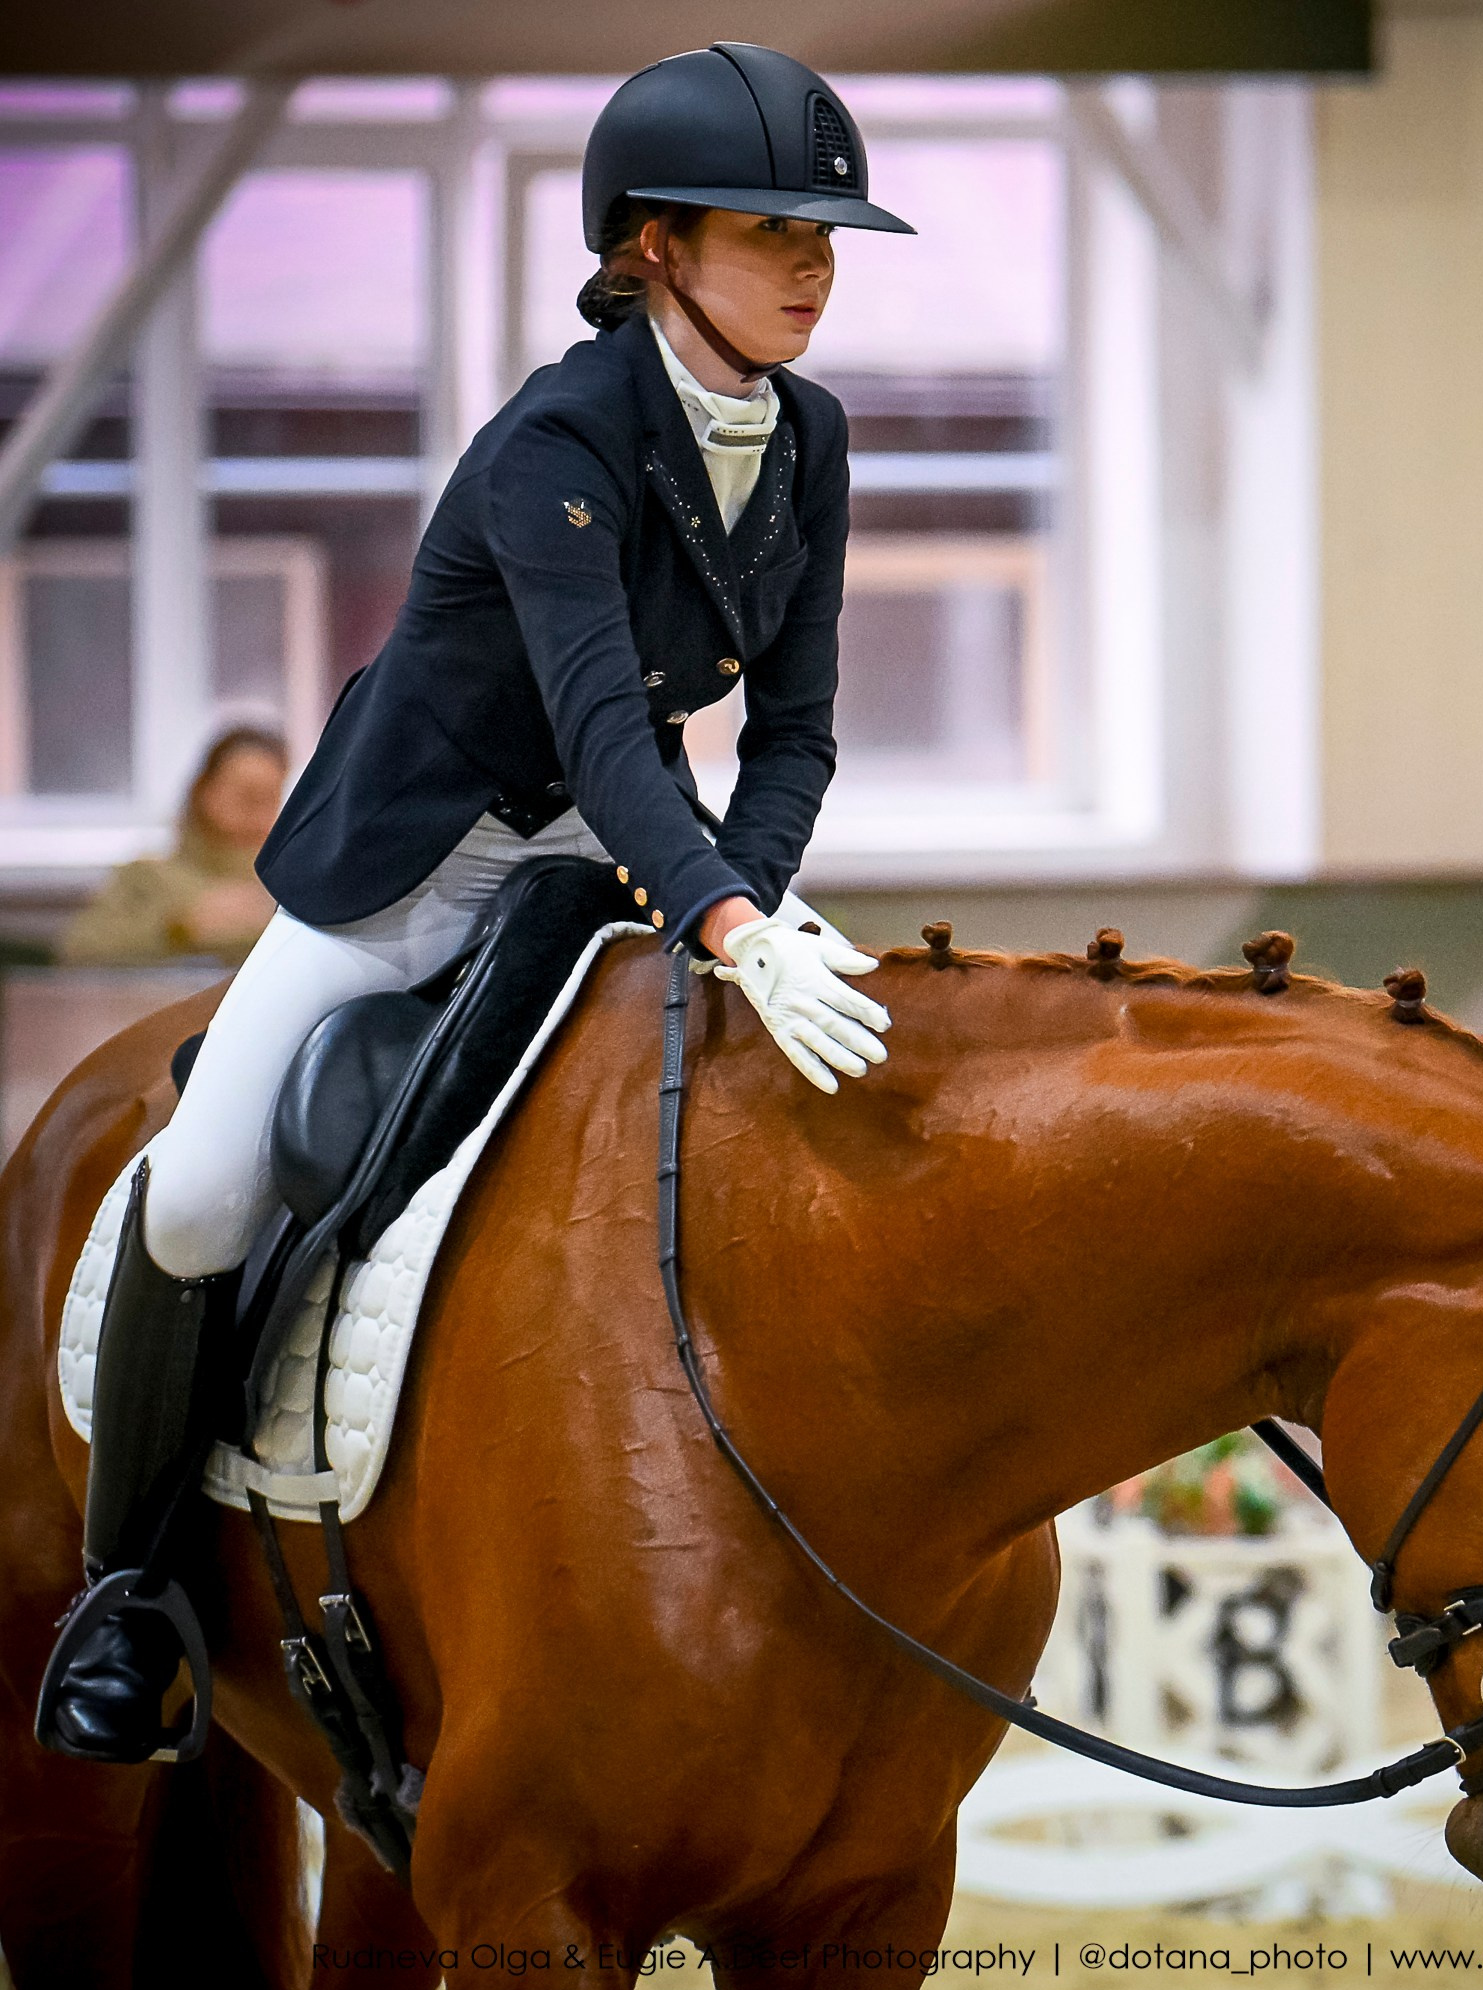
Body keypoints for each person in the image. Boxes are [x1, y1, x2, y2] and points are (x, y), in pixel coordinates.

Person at [41, 42, 911, 1764]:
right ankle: (124, 1590)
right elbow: (604, 714)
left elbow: (796, 724)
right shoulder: (556, 438)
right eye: (774, 230)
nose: (816, 265)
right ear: (652, 244)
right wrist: (725, 920)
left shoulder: (810, 436)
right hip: (406, 867)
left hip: (599, 869)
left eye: (829, 235)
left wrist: (764, 904)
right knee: (208, 1187)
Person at [60, 726, 287, 967]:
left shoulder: (289, 888)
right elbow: (78, 952)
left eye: (271, 800)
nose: (260, 817)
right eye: (248, 797)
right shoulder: (146, 879)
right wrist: (181, 929)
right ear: (205, 793)